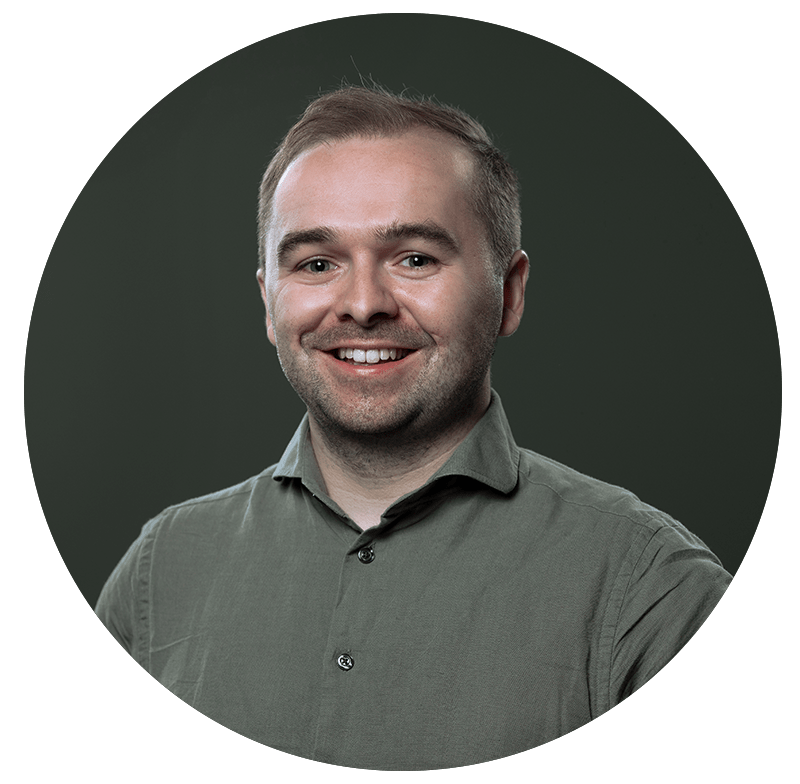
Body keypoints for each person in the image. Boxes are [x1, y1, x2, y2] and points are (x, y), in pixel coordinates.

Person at [96, 86, 731, 771]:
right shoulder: (157, 578)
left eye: (416, 258)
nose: (364, 304)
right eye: (316, 263)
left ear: (509, 292)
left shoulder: (653, 592)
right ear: (268, 304)